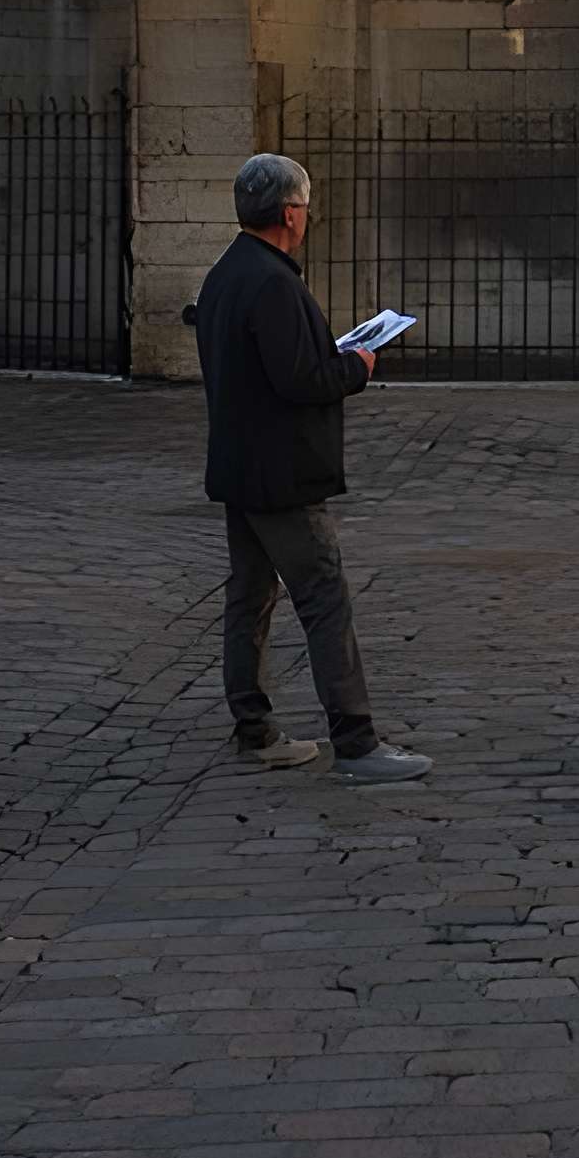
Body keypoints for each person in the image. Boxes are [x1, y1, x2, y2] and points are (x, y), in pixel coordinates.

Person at [194, 153, 432, 784]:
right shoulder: (273, 283)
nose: (307, 216)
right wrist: (357, 365)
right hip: (282, 474)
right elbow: (301, 380)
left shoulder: (227, 272)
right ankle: (356, 741)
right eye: (304, 206)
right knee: (324, 598)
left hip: (241, 465)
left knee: (249, 595)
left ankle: (254, 728)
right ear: (290, 213)